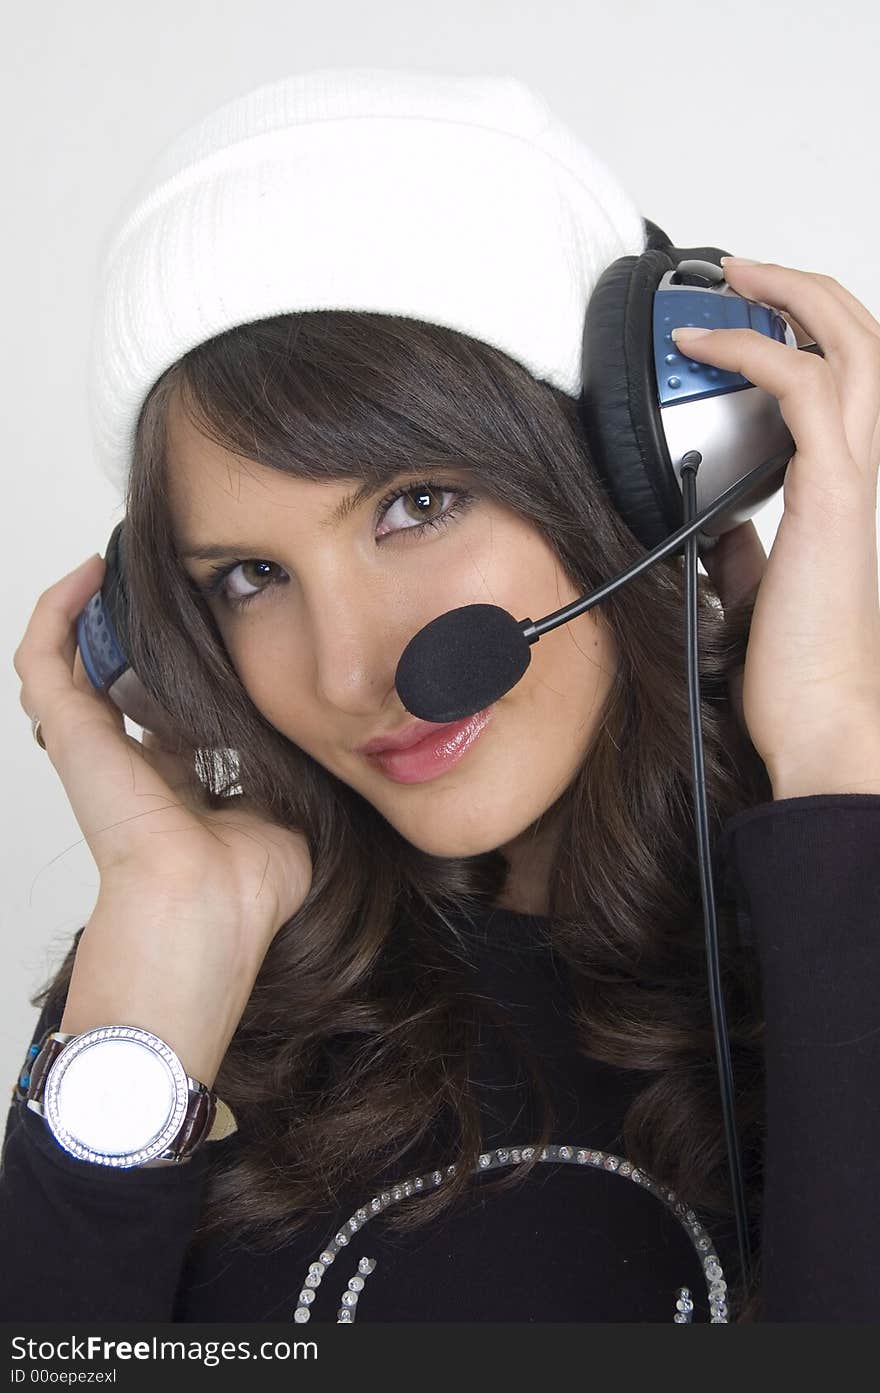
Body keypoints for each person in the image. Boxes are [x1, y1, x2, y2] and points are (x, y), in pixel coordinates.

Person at [3, 68, 880, 1325]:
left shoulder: (838, 909)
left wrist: (841, 751)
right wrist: (162, 944)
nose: (351, 672)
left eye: (416, 505)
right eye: (253, 576)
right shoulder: (186, 989)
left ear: (636, 482)